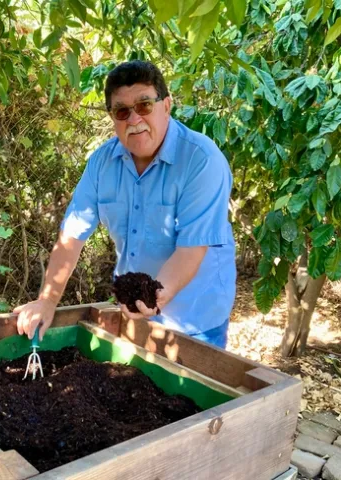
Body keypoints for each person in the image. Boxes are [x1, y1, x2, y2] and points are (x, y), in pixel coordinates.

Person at [15, 60, 236, 348]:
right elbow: (72, 235)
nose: (134, 120)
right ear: (112, 118)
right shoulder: (101, 164)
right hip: (134, 311)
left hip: (195, 317)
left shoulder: (202, 161)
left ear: (166, 106)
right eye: (122, 111)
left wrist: (154, 296)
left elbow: (191, 250)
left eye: (144, 105)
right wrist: (47, 300)